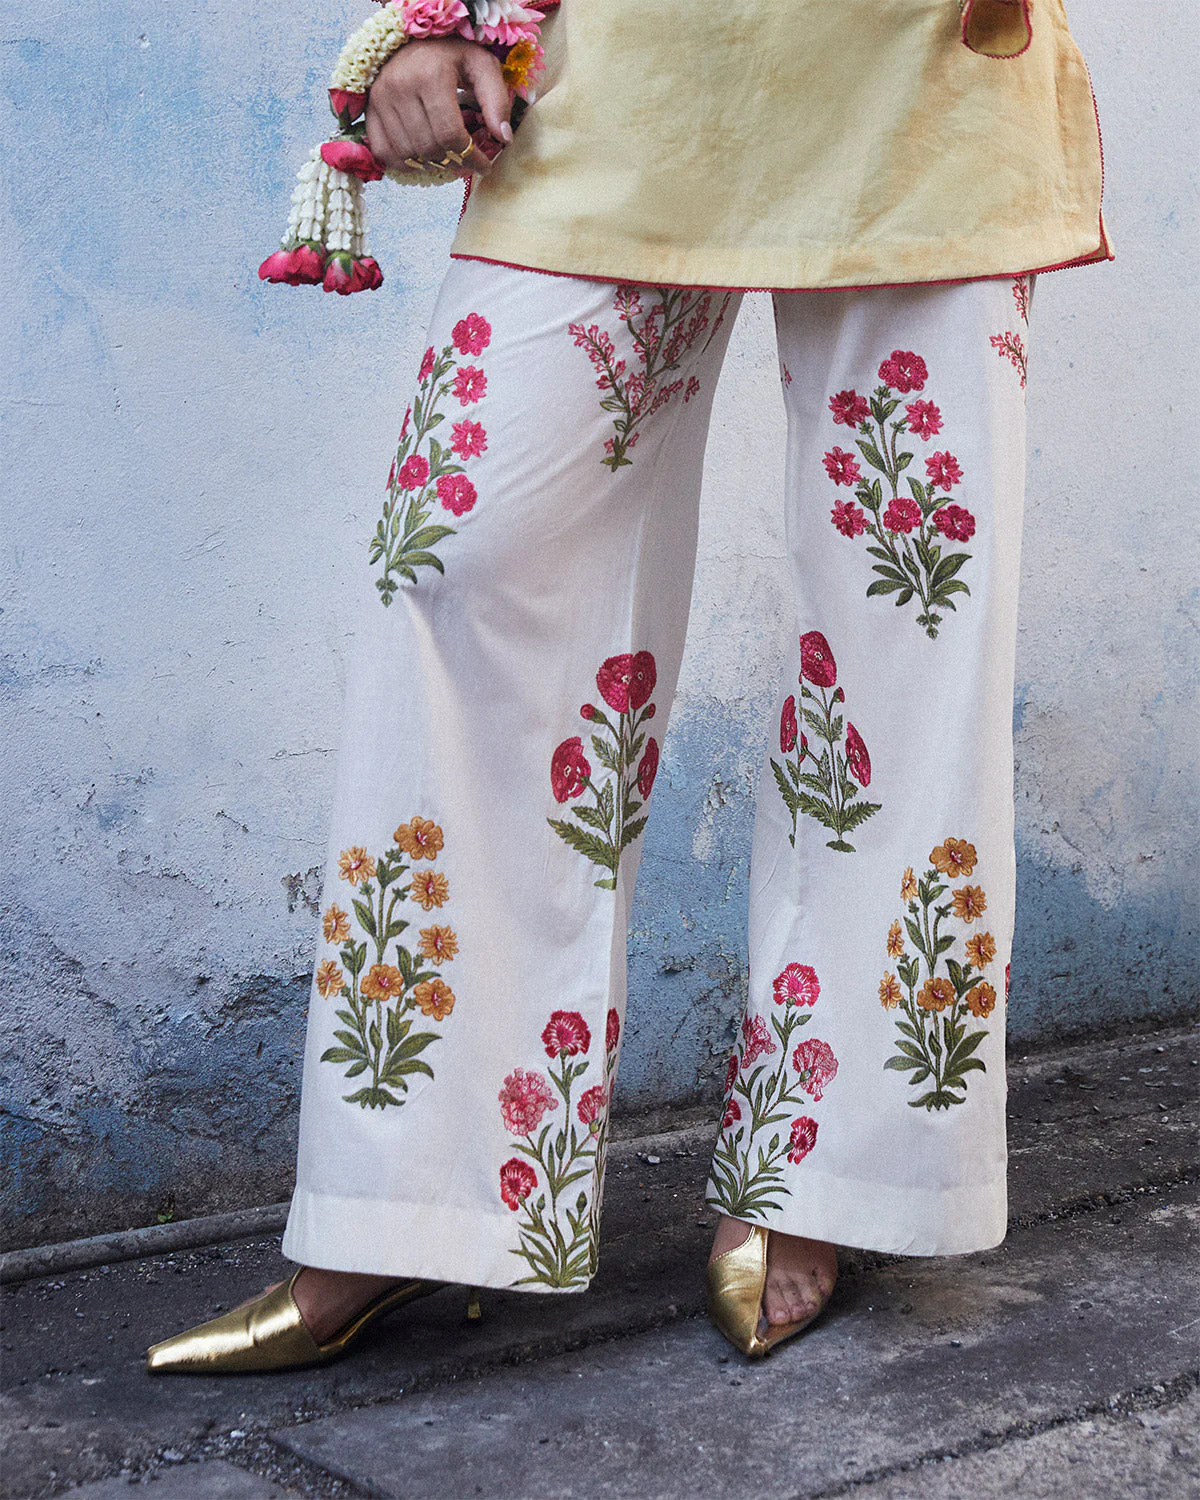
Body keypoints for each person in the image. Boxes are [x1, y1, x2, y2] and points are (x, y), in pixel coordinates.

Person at [147, 0, 1109, 1371]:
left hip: (922, 87)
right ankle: (418, 1197)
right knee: (463, 563)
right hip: (626, 71)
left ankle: (820, 1170)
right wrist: (432, 20)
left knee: (908, 610)